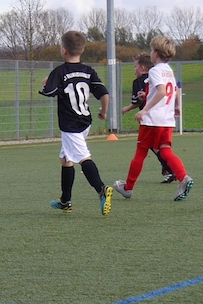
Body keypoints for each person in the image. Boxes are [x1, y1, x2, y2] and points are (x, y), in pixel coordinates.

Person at [40, 31, 113, 215]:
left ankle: (101, 188)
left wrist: (46, 83)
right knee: (66, 159)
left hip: (70, 124)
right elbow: (104, 94)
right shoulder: (88, 71)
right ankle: (66, 201)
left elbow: (49, 92)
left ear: (63, 50)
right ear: (82, 49)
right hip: (85, 120)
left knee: (83, 158)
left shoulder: (60, 72)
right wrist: (104, 111)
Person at [113, 36, 194, 201]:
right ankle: (184, 177)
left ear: (156, 53)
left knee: (140, 152)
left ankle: (128, 188)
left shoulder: (155, 70)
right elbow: (171, 90)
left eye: (151, 50)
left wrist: (144, 110)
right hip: (166, 121)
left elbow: (162, 91)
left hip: (152, 120)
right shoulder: (168, 70)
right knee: (165, 150)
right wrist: (175, 106)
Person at [120, 52, 174, 184]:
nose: (134, 70)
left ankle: (129, 186)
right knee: (160, 147)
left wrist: (127, 109)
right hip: (163, 117)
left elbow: (138, 101)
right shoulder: (165, 73)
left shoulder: (142, 80)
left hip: (151, 120)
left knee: (147, 149)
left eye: (135, 66)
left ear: (143, 68)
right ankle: (175, 171)